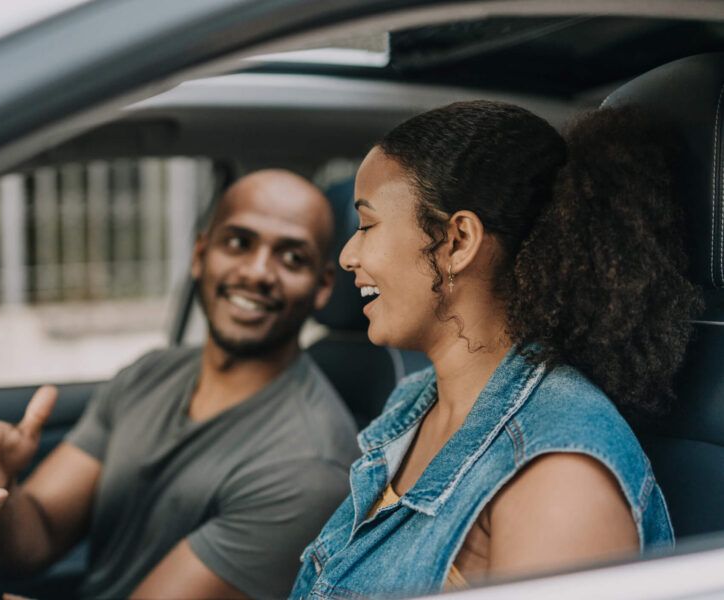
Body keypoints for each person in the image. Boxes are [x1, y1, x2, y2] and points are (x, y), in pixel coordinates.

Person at [288, 101, 702, 599]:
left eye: (368, 225)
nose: (348, 256)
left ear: (458, 241)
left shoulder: (558, 477)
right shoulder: (413, 405)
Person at [0, 169, 359, 599]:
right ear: (200, 255)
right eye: (239, 242)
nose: (259, 272)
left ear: (321, 287)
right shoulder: (151, 372)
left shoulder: (308, 467)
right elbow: (36, 539)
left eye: (292, 258)